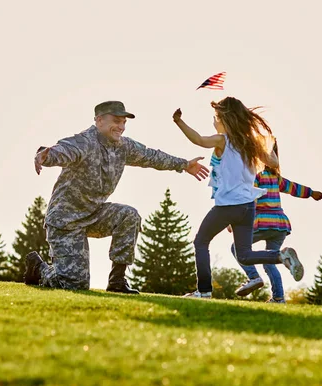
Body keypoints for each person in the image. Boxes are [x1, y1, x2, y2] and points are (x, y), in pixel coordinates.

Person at [24, 100, 209, 293]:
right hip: (65, 221)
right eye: (116, 121)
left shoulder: (123, 146)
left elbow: (151, 156)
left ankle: (117, 281)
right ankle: (39, 269)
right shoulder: (84, 141)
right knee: (74, 284)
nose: (121, 127)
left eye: (123, 122)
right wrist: (45, 156)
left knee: (128, 215)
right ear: (99, 120)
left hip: (94, 214)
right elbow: (63, 150)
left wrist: (184, 164)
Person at [172, 96, 304, 298]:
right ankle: (281, 256)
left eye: (216, 118)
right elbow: (274, 162)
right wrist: (265, 144)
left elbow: (198, 139)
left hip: (228, 206)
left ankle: (204, 291)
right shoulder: (250, 144)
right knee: (244, 254)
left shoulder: (223, 140)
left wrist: (179, 122)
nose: (214, 122)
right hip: (248, 207)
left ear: (225, 118)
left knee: (201, 242)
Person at [230, 139, 322, 303]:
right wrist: (311, 193)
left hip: (263, 222)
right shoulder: (276, 177)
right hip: (280, 225)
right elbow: (294, 187)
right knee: (270, 260)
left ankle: (254, 277)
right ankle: (279, 297)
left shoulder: (255, 176)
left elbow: (250, 200)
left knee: (237, 247)